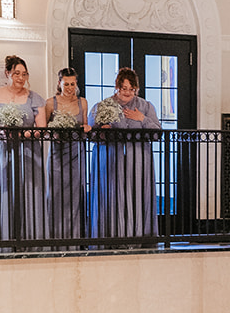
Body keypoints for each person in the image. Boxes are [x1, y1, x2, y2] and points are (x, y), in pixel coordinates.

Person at [0, 54, 46, 242]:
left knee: (28, 192)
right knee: (2, 190)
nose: (21, 78)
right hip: (0, 152)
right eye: (17, 73)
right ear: (7, 73)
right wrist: (0, 130)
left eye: (24, 74)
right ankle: (2, 238)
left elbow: (42, 129)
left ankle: (29, 239)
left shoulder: (35, 98)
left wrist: (23, 134)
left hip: (28, 153)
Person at [91, 66, 161, 239]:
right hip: (111, 161)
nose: (128, 92)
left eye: (132, 89)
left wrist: (142, 119)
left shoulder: (145, 106)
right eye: (124, 88)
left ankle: (139, 236)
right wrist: (102, 130)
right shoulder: (103, 105)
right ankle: (111, 237)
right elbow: (91, 134)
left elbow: (158, 133)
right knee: (112, 196)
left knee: (137, 195)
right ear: (117, 87)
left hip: (138, 161)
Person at [44, 67, 89, 241]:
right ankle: (55, 237)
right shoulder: (50, 103)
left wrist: (86, 128)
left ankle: (75, 238)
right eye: (66, 84)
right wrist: (53, 133)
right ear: (59, 83)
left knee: (75, 194)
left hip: (76, 152)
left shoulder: (82, 102)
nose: (70, 87)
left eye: (73, 83)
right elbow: (43, 129)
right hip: (57, 153)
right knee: (55, 194)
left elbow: (85, 127)